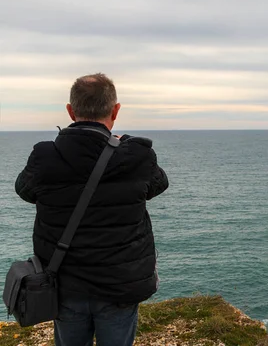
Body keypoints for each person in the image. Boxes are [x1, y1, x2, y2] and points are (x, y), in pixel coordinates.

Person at [15, 73, 169, 346]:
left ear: (70, 111)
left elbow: (25, 191)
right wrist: (127, 141)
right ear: (116, 110)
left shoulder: (44, 155)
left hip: (65, 283)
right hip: (120, 286)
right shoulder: (136, 156)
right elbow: (159, 184)